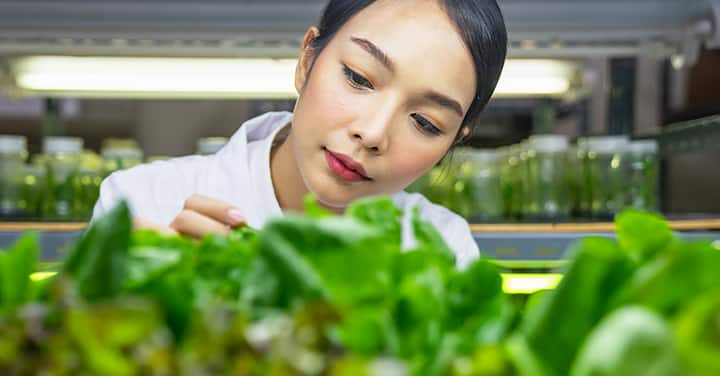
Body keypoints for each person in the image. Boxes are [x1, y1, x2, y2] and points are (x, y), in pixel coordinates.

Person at [92, 0, 507, 268]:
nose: (373, 132)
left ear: (453, 142)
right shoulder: (141, 200)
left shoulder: (442, 249)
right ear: (307, 59)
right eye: (359, 78)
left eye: (425, 123)